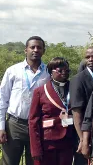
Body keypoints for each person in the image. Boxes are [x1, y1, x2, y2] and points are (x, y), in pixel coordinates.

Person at [0, 36, 50, 165]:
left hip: (38, 126)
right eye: (32, 47)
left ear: (43, 51)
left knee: (35, 162)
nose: (35, 50)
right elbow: (2, 99)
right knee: (9, 162)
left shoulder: (48, 73)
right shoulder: (13, 71)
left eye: (39, 47)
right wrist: (1, 127)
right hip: (14, 125)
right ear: (25, 50)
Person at [29, 57, 74, 165]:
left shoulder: (74, 88)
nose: (64, 73)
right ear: (50, 71)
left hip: (68, 143)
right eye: (60, 70)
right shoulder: (40, 91)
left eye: (67, 70)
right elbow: (33, 121)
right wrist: (35, 149)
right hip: (47, 143)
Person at [69, 46, 93, 165]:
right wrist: (82, 139)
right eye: (88, 57)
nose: (90, 59)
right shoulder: (78, 79)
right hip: (87, 133)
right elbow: (76, 112)